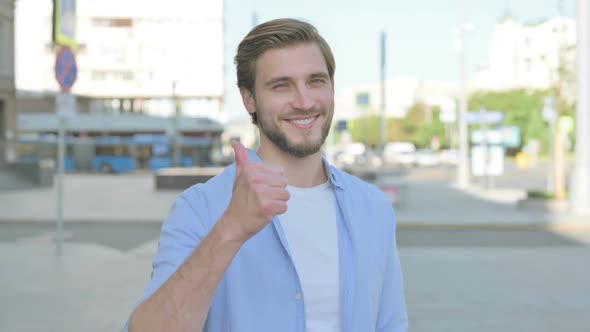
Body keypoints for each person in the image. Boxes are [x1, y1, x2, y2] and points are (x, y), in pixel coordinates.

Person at [127, 18, 408, 332]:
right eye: (281, 85)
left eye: (316, 81)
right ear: (249, 99)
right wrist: (231, 229)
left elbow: (390, 323)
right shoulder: (201, 208)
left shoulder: (373, 207)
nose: (304, 102)